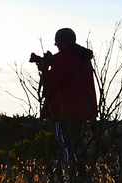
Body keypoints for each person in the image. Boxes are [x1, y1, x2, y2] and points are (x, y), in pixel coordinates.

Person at [37, 28, 98, 161]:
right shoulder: (83, 58)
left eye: (58, 43)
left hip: (64, 112)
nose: (57, 47)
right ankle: (81, 176)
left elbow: (51, 85)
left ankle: (71, 177)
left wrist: (44, 69)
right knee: (79, 149)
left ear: (62, 42)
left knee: (66, 149)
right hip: (84, 112)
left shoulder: (62, 59)